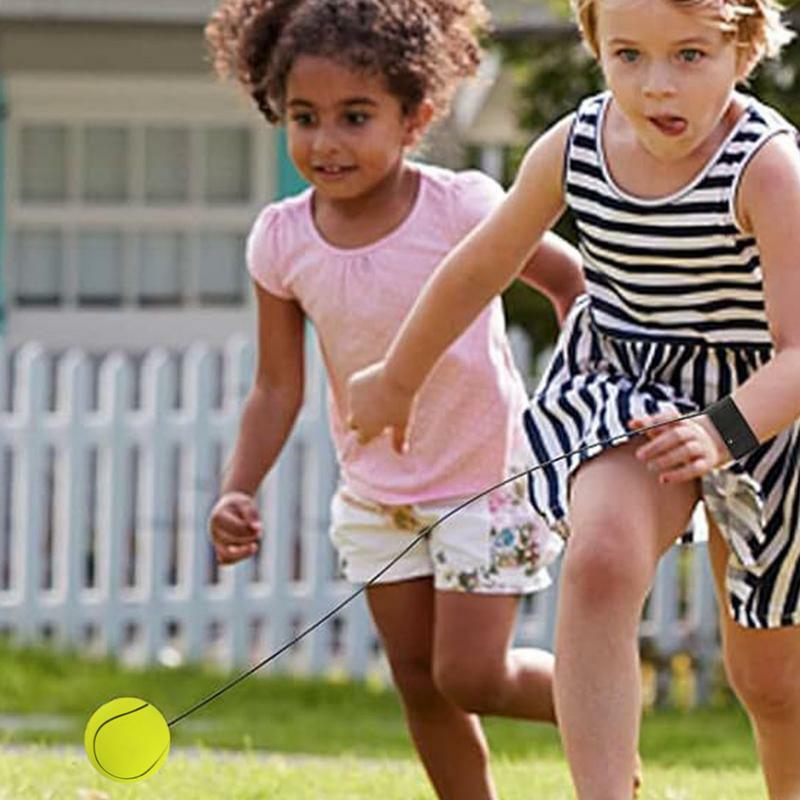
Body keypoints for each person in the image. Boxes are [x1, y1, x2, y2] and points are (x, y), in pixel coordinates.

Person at [346, 0, 800, 797]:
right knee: (599, 563)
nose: (656, 86)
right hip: (624, 384)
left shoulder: (768, 167)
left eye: (689, 56)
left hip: (760, 404)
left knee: (771, 678)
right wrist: (398, 376)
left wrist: (723, 430)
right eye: (628, 55)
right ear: (595, 46)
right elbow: (481, 265)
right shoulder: (577, 144)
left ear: (744, 48)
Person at [204, 2, 589, 798]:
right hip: (378, 494)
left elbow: (568, 283)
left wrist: (576, 395)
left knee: (471, 676)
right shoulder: (281, 240)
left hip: (489, 478)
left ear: (413, 118)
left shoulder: (462, 208)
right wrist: (239, 487)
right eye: (303, 117)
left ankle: (604, 708)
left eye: (355, 117)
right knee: (422, 684)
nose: (325, 142)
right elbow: (278, 385)